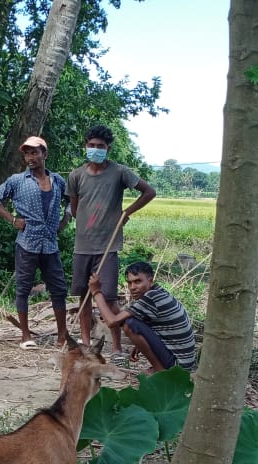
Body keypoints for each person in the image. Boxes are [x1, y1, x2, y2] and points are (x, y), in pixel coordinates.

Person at [68, 124, 156, 362]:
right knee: (84, 299)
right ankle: (85, 345)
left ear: (108, 148)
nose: (95, 150)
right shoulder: (76, 175)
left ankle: (116, 349)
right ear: (85, 146)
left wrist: (127, 211)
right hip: (82, 247)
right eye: (91, 145)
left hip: (108, 247)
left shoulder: (119, 172)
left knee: (108, 299)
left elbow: (149, 192)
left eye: (101, 146)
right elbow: (75, 208)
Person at [0, 137, 70, 349]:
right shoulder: (17, 180)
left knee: (58, 289)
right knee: (23, 288)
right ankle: (25, 336)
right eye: (27, 154)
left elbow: (72, 199)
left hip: (50, 244)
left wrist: (65, 220)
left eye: (34, 153)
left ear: (44, 154)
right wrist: (12, 219)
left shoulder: (57, 180)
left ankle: (62, 337)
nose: (30, 158)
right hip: (27, 243)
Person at [87, 262, 197, 372]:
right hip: (184, 363)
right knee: (133, 321)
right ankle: (161, 368)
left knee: (130, 324)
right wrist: (140, 344)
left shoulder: (151, 298)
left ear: (150, 280)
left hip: (179, 367)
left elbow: (112, 321)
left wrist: (96, 292)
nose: (132, 287)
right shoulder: (159, 292)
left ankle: (160, 372)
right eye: (129, 283)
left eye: (138, 281)